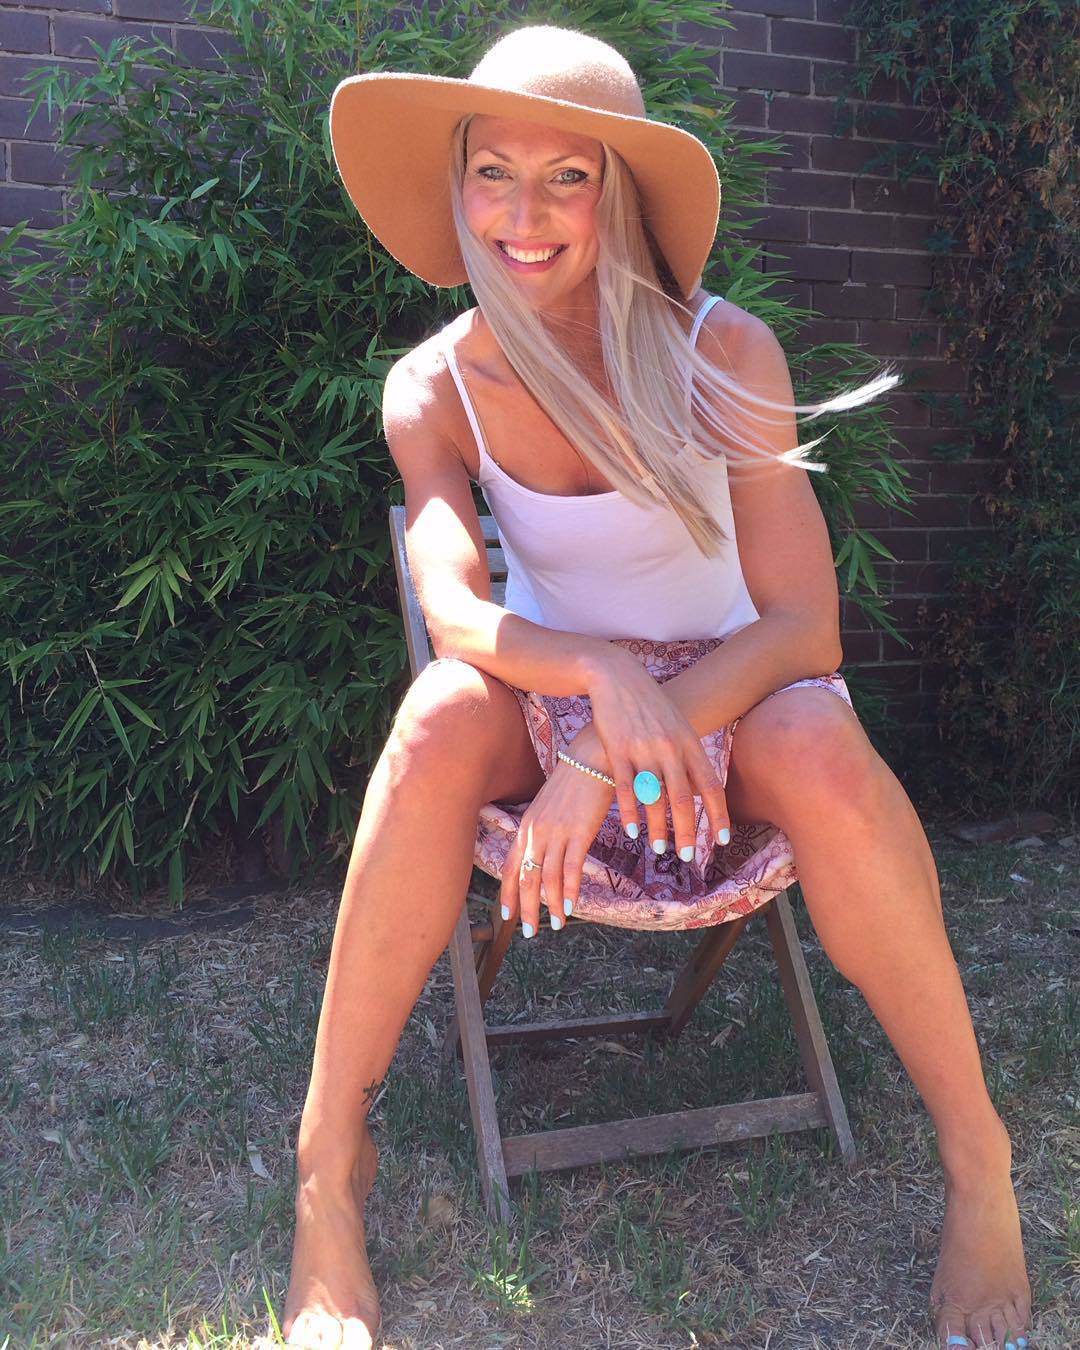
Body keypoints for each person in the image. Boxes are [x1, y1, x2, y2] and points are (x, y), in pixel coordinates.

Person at [276, 24, 1032, 1350]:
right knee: (437, 714)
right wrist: (592, 679)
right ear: (456, 187)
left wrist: (610, 746)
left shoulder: (721, 353)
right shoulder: (434, 387)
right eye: (494, 173)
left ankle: (982, 1162)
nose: (523, 216)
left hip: (736, 696)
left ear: (617, 194)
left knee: (827, 750)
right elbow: (455, 613)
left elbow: (803, 626)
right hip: (554, 686)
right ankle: (327, 1174)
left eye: (565, 177)